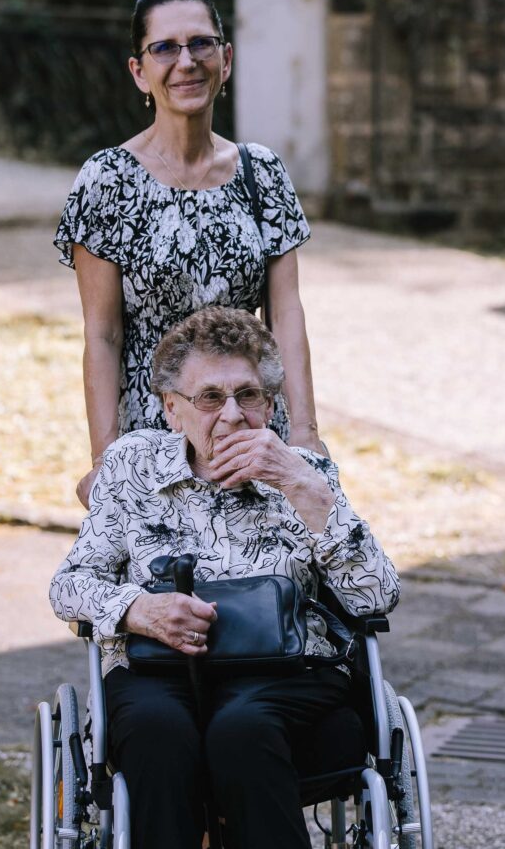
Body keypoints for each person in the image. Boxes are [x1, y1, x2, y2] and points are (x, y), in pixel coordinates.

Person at [50, 306, 400, 849]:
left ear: (269, 404)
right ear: (172, 410)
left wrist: (301, 486)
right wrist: (139, 610)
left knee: (244, 730)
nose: (234, 415)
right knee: (159, 734)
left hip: (290, 673)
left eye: (249, 395)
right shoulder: (131, 469)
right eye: (211, 397)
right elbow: (70, 584)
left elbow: (378, 595)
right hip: (159, 671)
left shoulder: (305, 473)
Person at [54, 0, 321, 508]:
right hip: (155, 441)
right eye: (165, 48)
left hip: (247, 429)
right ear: (139, 71)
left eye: (201, 44)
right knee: (165, 590)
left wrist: (305, 437)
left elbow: (286, 313)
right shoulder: (106, 180)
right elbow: (102, 333)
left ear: (226, 59)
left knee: (268, 586)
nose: (186, 61)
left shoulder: (262, 172)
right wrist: (106, 460)